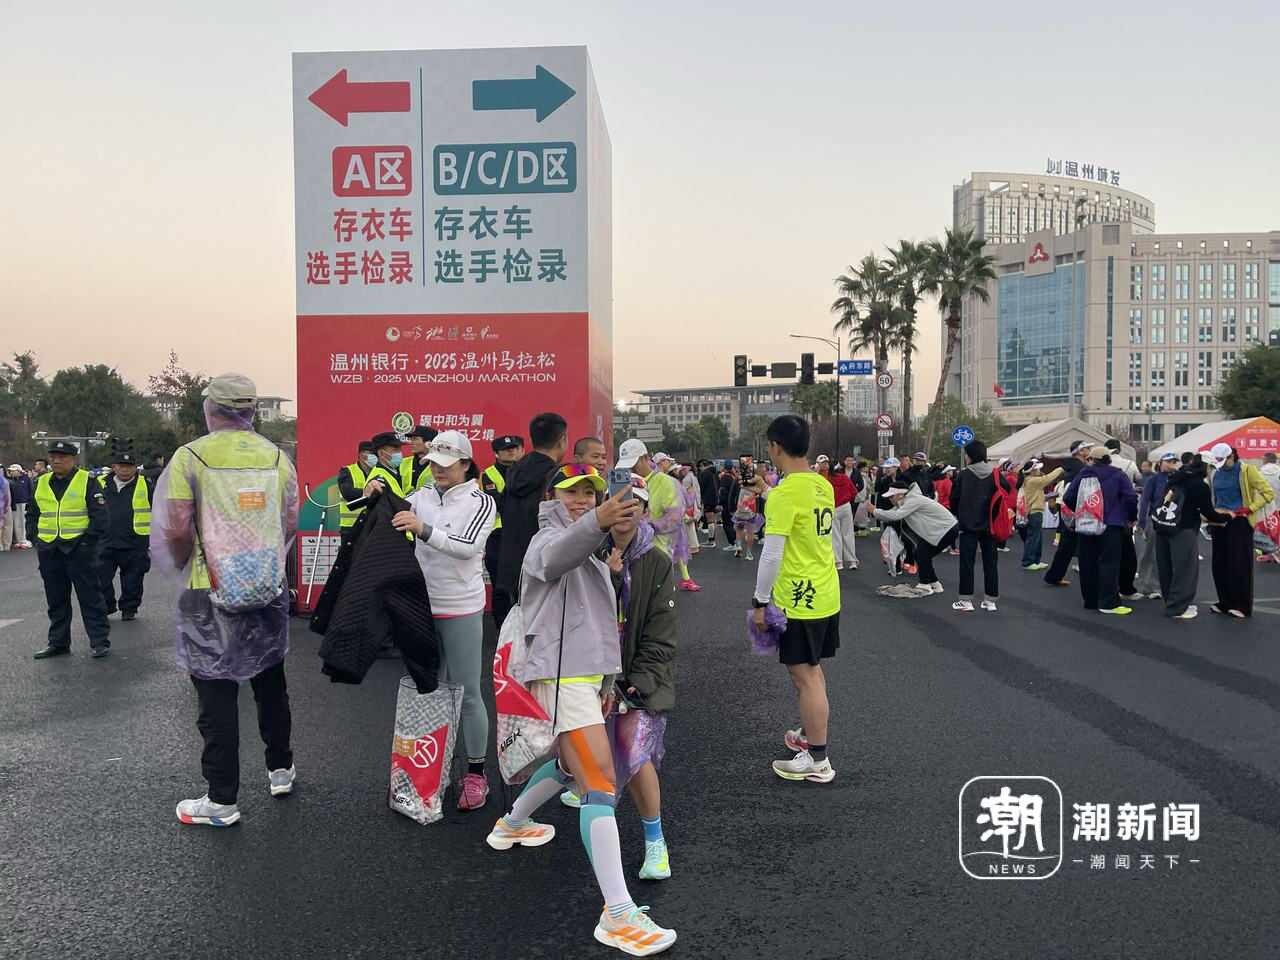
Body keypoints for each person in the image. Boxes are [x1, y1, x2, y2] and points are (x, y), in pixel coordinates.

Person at [486, 466, 677, 956]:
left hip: (583, 678)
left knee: (573, 767)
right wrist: (597, 521)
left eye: (590, 491)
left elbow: (598, 622)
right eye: (572, 491)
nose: (583, 499)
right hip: (564, 677)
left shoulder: (590, 547)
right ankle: (617, 913)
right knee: (599, 783)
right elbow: (554, 558)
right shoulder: (546, 539)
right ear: (552, 495)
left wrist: (607, 682)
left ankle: (512, 824)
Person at [151, 373, 298, 826]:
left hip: (207, 587)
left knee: (215, 689)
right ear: (251, 410)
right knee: (269, 678)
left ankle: (221, 800)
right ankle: (281, 769)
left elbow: (176, 528)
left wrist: (187, 565)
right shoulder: (278, 457)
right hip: (266, 584)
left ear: (211, 408)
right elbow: (289, 519)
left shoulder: (190, 456)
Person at [561, 476, 678, 881]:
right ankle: (516, 819)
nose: (626, 511)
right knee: (571, 756)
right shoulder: (589, 550)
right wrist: (608, 579)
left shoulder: (657, 561)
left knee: (633, 750)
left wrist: (637, 683)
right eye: (618, 502)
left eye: (635, 504)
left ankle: (655, 841)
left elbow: (661, 633)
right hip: (589, 671)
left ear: (645, 511)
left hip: (633, 677)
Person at [390, 430, 496, 810]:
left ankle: (477, 775)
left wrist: (423, 529)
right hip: (422, 607)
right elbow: (391, 509)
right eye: (433, 463)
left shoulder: (481, 502)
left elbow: (468, 548)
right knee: (431, 691)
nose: (437, 470)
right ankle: (433, 768)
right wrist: (375, 491)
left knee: (467, 693)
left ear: (466, 463)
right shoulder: (420, 495)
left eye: (446, 464)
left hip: (461, 607)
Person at [749, 416, 838, 784]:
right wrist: (767, 492)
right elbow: (799, 515)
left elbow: (771, 555)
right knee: (809, 672)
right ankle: (810, 733)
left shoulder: (784, 494)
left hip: (799, 598)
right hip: (825, 591)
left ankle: (817, 758)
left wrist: (759, 602)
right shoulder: (821, 484)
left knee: (806, 678)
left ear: (775, 447)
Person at [28, 440, 111, 658]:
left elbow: (100, 516)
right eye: (53, 457)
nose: (56, 461)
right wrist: (35, 538)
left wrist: (87, 542)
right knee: (56, 599)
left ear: (73, 459)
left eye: (62, 457)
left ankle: (99, 641)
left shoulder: (87, 481)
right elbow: (32, 513)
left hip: (78, 549)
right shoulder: (41, 482)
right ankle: (58, 642)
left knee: (90, 596)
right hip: (50, 550)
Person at [495, 412, 568, 603]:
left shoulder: (514, 470)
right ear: (562, 441)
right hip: (544, 566)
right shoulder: (555, 475)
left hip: (514, 567)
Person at [1063, 446, 1139, 615]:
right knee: (1109, 563)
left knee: (1087, 563)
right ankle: (1108, 602)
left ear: (1093, 459)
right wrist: (1130, 517)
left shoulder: (1083, 474)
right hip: (1111, 524)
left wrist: (1082, 512)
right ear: (1108, 458)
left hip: (1086, 524)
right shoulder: (1118, 475)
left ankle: (1090, 600)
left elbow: (1068, 497)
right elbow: (1130, 497)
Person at [618, 441, 699, 590]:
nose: (629, 468)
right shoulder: (626, 483)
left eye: (632, 463)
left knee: (659, 598)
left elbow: (674, 519)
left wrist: (646, 525)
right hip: (629, 553)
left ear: (645, 458)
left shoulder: (665, 482)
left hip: (657, 554)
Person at [1206, 442, 1274, 617]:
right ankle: (1224, 602)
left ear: (1232, 456)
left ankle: (1241, 606)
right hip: (1220, 520)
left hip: (1240, 521)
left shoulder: (1247, 470)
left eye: (1224, 461)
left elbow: (1268, 493)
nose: (1221, 465)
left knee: (1239, 564)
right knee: (1219, 564)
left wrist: (1250, 508)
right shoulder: (1214, 472)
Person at [1154, 455, 1227, 619]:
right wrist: (1228, 517)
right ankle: (1178, 608)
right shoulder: (1200, 486)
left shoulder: (1175, 479)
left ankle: (1171, 602)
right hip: (1183, 529)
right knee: (1185, 570)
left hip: (1163, 525)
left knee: (1166, 567)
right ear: (1206, 467)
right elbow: (1210, 513)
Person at [95, 443, 153, 621]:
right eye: (121, 466)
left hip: (135, 541)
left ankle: (129, 608)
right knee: (100, 577)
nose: (125, 470)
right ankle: (107, 605)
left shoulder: (147, 485)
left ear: (136, 468)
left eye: (130, 466)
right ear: (114, 467)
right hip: (105, 541)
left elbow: (160, 510)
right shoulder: (99, 483)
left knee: (133, 579)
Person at [872, 481, 959, 596]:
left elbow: (896, 516)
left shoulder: (913, 500)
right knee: (921, 553)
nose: (889, 499)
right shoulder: (906, 501)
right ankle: (934, 583)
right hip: (943, 529)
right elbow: (890, 514)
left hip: (947, 528)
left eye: (891, 496)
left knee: (922, 553)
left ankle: (925, 585)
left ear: (900, 495)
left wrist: (874, 510)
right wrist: (875, 511)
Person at [948, 440, 1001, 612]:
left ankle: (966, 601)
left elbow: (954, 498)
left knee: (967, 563)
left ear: (970, 456)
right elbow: (1005, 492)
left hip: (968, 525)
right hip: (990, 525)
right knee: (990, 563)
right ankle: (991, 601)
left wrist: (958, 514)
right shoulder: (995, 473)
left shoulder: (964, 474)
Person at [479, 434, 524, 631]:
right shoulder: (488, 474)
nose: (512, 451)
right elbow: (497, 503)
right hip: (498, 536)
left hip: (522, 534)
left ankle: (522, 629)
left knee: (525, 584)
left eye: (515, 448)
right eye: (506, 449)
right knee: (500, 586)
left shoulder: (526, 472)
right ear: (496, 453)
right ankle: (501, 631)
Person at [1044, 440, 1092, 587]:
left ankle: (1055, 575)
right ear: (1080, 451)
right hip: (1075, 509)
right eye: (1086, 448)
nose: (1089, 449)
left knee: (1067, 544)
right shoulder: (1080, 469)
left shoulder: (1070, 467)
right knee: (1071, 544)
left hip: (1067, 508)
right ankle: (1055, 575)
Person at [1135, 452, 1180, 596]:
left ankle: (1167, 585)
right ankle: (1150, 586)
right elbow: (1145, 501)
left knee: (1170, 554)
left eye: (1174, 461)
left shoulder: (1178, 478)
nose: (1171, 464)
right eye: (1168, 461)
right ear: (1160, 463)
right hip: (1154, 519)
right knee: (1151, 553)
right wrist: (1141, 522)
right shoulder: (1153, 479)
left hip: (1173, 520)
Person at [1104, 438, 1142, 600]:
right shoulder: (1128, 464)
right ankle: (1125, 589)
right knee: (1127, 554)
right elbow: (1138, 479)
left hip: (1101, 513)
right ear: (1119, 449)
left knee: (1106, 554)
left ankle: (1105, 590)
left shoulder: (1096, 468)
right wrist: (1133, 517)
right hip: (1123, 513)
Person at [1018, 459, 1062, 570]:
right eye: (1037, 468)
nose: (1039, 470)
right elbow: (1047, 478)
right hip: (1034, 512)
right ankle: (1028, 562)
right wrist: (1060, 469)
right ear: (1032, 471)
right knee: (1033, 538)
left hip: (1034, 512)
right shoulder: (1033, 481)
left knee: (1036, 538)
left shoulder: (1029, 480)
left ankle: (1035, 560)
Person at [336, 440, 377, 540]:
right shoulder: (347, 471)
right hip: (351, 527)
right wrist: (371, 492)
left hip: (372, 526)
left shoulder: (379, 472)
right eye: (372, 454)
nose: (375, 457)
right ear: (362, 455)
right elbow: (348, 493)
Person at [828, 462, 858, 570]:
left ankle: (838, 562)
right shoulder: (845, 478)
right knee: (848, 534)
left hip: (834, 507)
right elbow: (854, 492)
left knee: (835, 536)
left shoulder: (828, 480)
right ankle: (852, 561)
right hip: (846, 506)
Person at [399, 425, 438, 493]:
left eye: (415, 439)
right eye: (411, 439)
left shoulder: (441, 464)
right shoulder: (403, 462)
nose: (410, 443)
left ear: (428, 443)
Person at [676, 462, 702, 556]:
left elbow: (692, 491)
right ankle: (693, 545)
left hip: (689, 503)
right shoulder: (691, 476)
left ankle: (693, 546)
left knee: (689, 525)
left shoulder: (688, 478)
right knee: (689, 525)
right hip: (690, 502)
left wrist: (697, 504)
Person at [5, 464, 33, 548]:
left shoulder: (26, 478)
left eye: (13, 471)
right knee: (16, 522)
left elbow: (31, 490)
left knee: (24, 522)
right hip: (15, 503)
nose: (11, 472)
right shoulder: (11, 481)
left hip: (25, 503)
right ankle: (19, 541)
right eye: (11, 471)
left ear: (19, 471)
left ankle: (25, 541)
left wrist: (30, 502)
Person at [718, 461, 740, 552]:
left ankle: (732, 543)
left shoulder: (725, 478)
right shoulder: (733, 477)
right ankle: (736, 543)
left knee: (727, 524)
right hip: (734, 503)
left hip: (726, 503)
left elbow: (723, 492)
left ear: (724, 467)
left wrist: (720, 503)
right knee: (733, 523)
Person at [696, 458, 719, 547]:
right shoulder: (713, 473)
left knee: (710, 520)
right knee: (713, 520)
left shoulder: (705, 473)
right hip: (714, 498)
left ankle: (711, 540)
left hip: (708, 498)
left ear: (702, 465)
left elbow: (701, 486)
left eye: (700, 467)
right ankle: (713, 539)